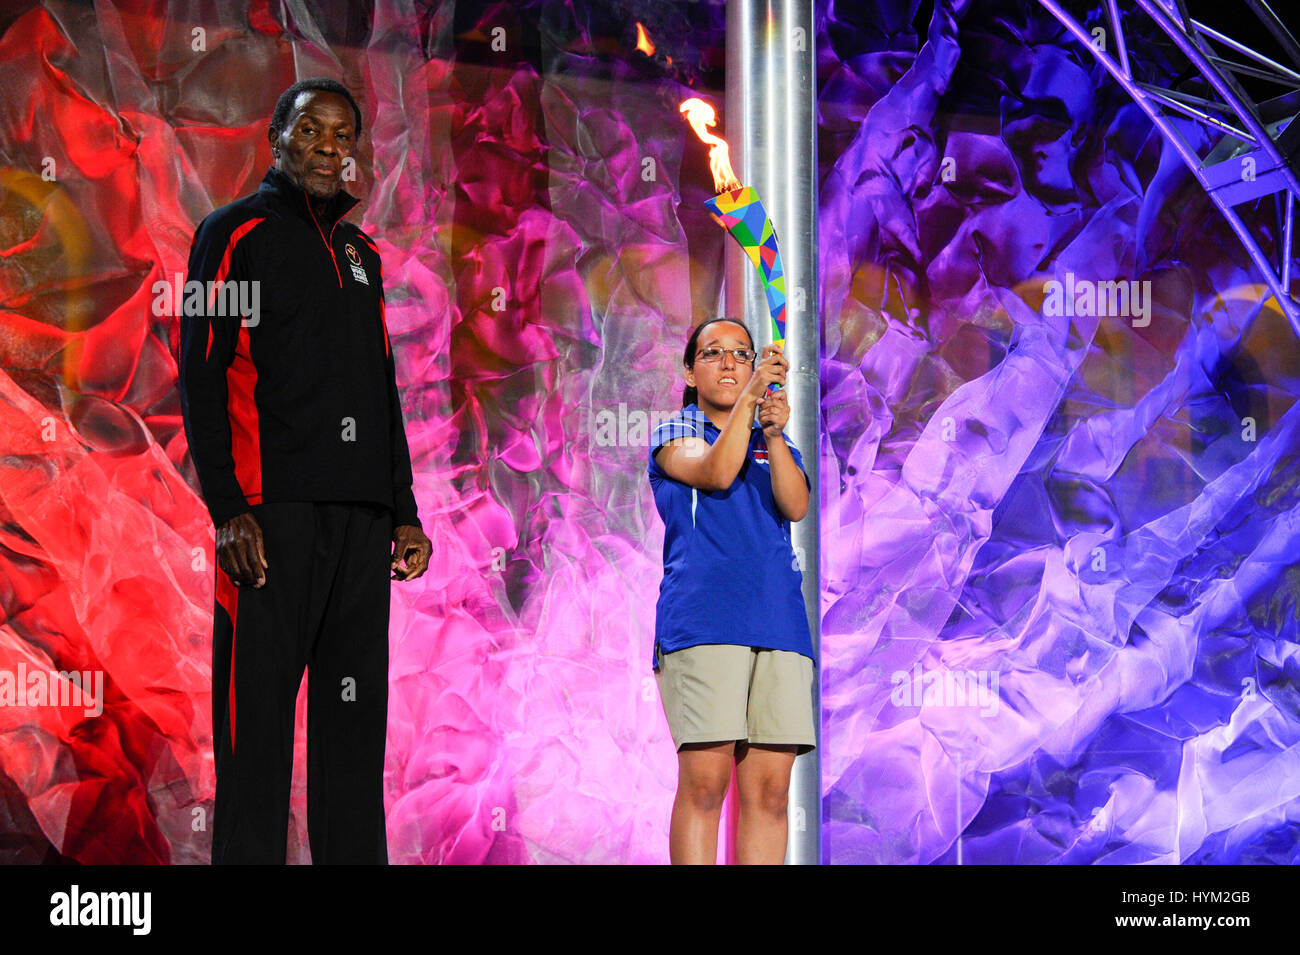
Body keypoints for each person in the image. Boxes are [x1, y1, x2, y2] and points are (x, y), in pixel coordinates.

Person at [176, 78, 432, 864]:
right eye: (310, 129)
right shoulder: (234, 233)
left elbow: (379, 386)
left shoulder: (362, 255)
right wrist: (228, 508)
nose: (328, 146)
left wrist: (404, 509)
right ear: (277, 138)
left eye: (342, 134)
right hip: (270, 519)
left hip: (361, 526)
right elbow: (202, 370)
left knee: (352, 738)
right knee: (254, 737)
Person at [647, 316, 816, 864]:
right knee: (705, 785)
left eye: (741, 355)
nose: (728, 363)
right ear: (690, 371)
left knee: (769, 795)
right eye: (713, 353)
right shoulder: (676, 433)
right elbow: (717, 475)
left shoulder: (776, 442)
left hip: (780, 626)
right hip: (705, 624)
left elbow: (796, 506)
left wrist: (772, 432)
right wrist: (749, 403)